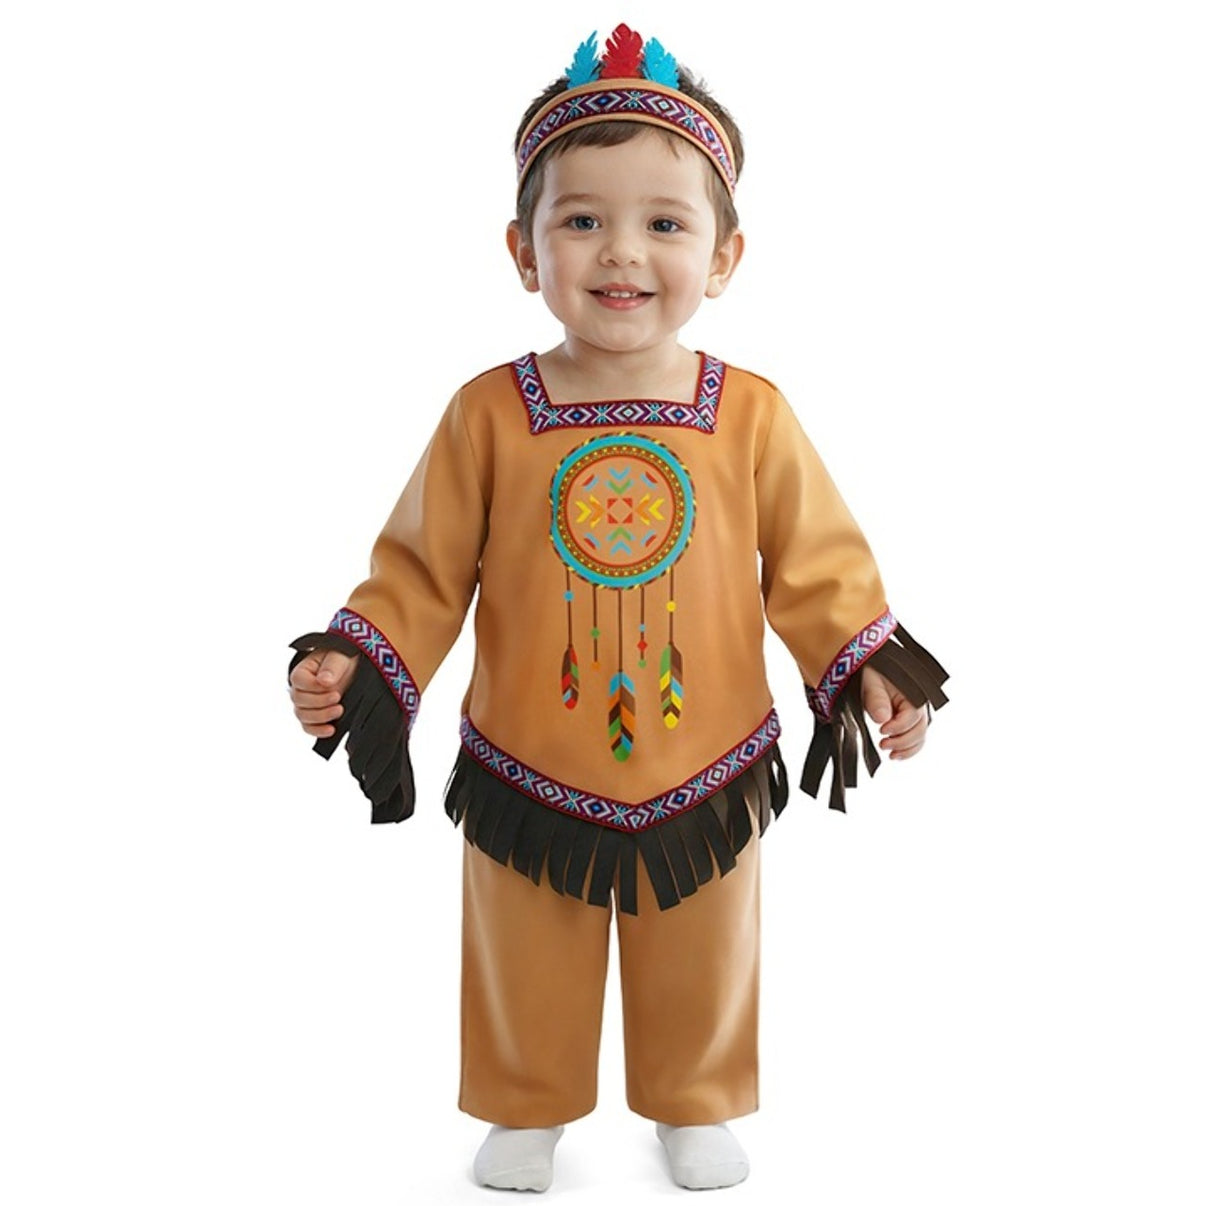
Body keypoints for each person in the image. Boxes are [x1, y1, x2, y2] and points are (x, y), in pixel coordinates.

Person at [288, 23, 948, 1193]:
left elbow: (817, 567)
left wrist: (873, 667)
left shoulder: (749, 414)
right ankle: (524, 1102)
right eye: (582, 220)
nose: (622, 253)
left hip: (707, 754)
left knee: (705, 943)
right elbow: (422, 569)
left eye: (665, 224)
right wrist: (360, 656)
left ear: (725, 255)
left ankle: (695, 1099)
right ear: (523, 249)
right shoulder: (489, 414)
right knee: (521, 946)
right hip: (528, 758)